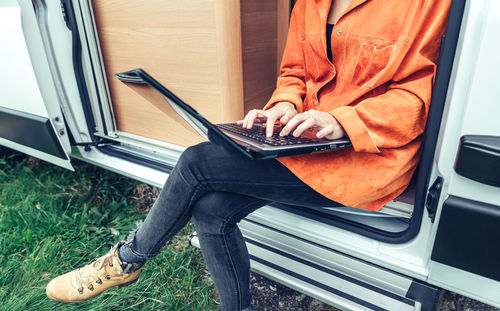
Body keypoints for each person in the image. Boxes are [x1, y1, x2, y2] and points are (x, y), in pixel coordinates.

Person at [45, 0, 452, 310]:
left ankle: (125, 261)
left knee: (197, 162)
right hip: (303, 140)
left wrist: (343, 122)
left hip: (367, 155)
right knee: (212, 210)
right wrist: (284, 107)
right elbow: (296, 73)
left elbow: (421, 93)